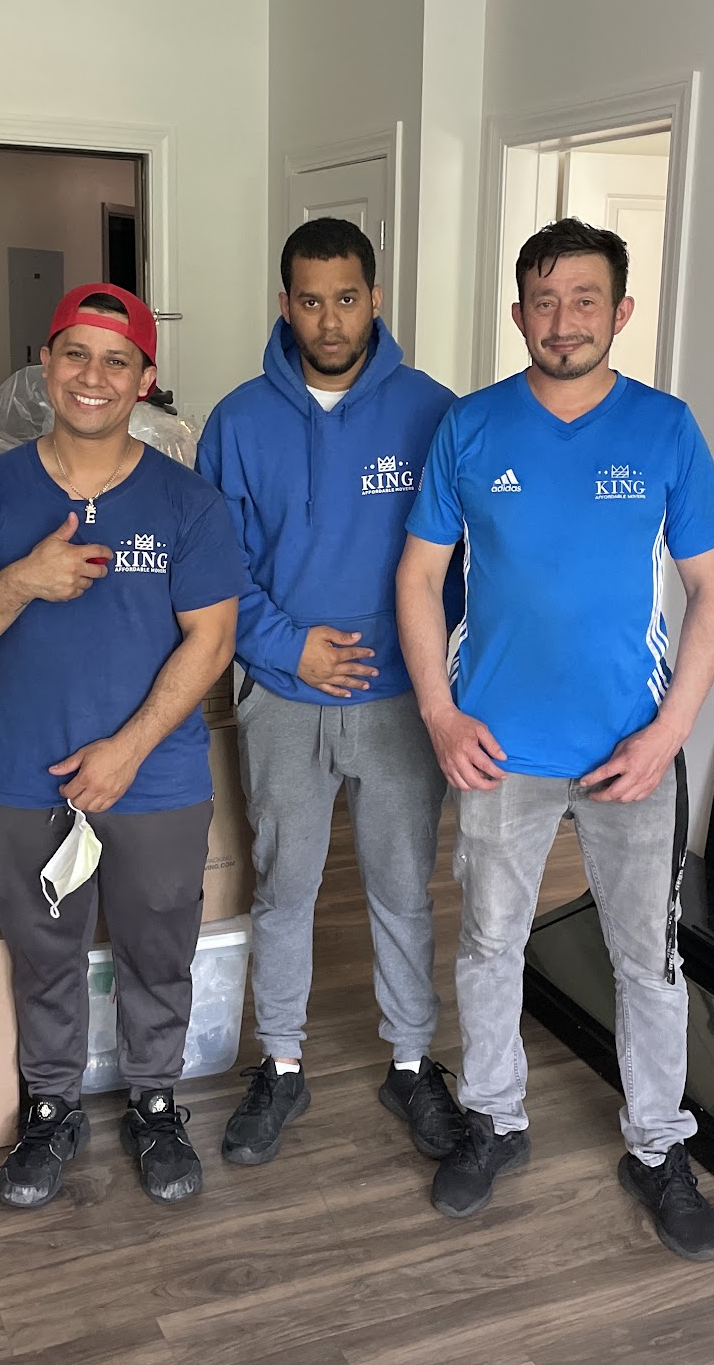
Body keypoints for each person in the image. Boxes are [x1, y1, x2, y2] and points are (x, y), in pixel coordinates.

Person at [396, 218, 714, 1260]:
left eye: (584, 299)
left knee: (648, 962)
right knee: (489, 945)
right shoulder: (470, 427)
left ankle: (657, 1146)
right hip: (496, 750)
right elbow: (418, 576)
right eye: (543, 301)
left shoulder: (666, 430)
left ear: (620, 312)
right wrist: (439, 712)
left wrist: (669, 732)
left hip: (631, 751)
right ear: (517, 314)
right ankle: (494, 1120)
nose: (563, 320)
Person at [0, 283, 246, 1210]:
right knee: (45, 953)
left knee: (159, 948)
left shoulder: (189, 503)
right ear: (45, 364)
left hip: (154, 775)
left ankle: (154, 1100)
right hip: (26, 775)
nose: (92, 377)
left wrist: (128, 750)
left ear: (145, 377)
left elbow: (212, 639)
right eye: (75, 354)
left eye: (116, 360)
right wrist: (23, 580)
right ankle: (51, 1106)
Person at [196, 218, 465, 1166]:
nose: (330, 320)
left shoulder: (434, 413)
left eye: (347, 298)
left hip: (398, 697)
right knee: (285, 888)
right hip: (282, 693)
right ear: (285, 305)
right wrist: (289, 649)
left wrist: (431, 671)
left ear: (375, 298)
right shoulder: (237, 423)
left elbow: (457, 565)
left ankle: (411, 1061)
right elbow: (215, 571)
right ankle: (280, 1063)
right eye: (310, 301)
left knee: (401, 887)